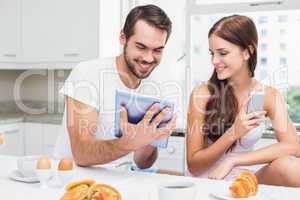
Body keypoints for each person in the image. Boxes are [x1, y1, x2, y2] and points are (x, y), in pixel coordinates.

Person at [54, 4, 176, 170]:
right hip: (76, 180)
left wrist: (150, 140)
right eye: (141, 47)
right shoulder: (87, 74)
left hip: (123, 180)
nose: (148, 58)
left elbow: (142, 162)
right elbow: (81, 153)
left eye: (157, 50)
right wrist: (127, 144)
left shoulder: (156, 86)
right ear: (123, 38)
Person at [186, 15, 300, 187]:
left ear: (247, 51)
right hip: (207, 181)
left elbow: (292, 147)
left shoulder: (266, 96)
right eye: (212, 53)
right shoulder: (203, 94)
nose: (214, 61)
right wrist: (234, 132)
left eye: (223, 53)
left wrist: (233, 160)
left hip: (242, 181)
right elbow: (194, 166)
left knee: (292, 168)